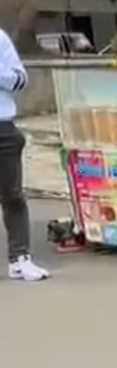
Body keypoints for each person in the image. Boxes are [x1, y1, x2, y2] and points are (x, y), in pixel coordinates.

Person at [0, 26, 49, 281]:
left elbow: (21, 79)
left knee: (13, 196)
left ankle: (20, 259)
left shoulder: (0, 38)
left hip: (3, 126)